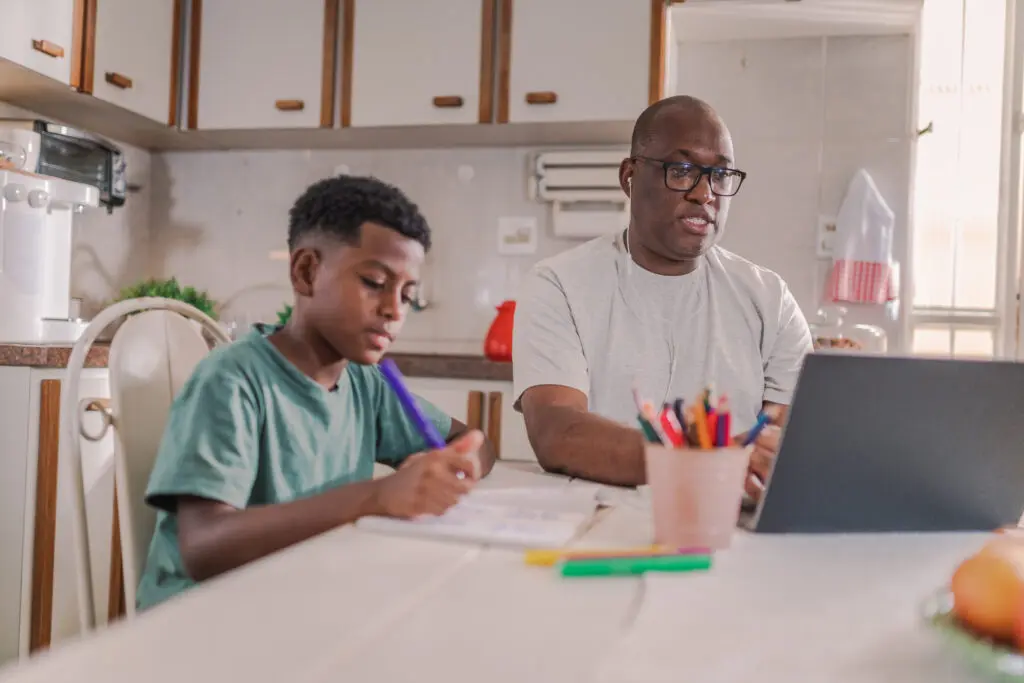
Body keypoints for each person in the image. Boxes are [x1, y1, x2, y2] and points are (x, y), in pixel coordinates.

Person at [137, 175, 496, 611]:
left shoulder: (368, 383)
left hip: (303, 600)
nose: (394, 309)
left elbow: (471, 443)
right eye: (373, 281)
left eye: (407, 293)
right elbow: (204, 547)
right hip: (204, 621)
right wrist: (378, 497)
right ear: (306, 271)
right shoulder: (232, 381)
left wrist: (456, 468)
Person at [513, 95, 812, 493]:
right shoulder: (559, 284)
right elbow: (556, 431)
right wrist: (695, 465)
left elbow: (791, 440)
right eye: (682, 169)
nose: (705, 194)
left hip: (723, 526)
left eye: (720, 176)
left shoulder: (770, 300)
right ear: (629, 177)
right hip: (595, 524)